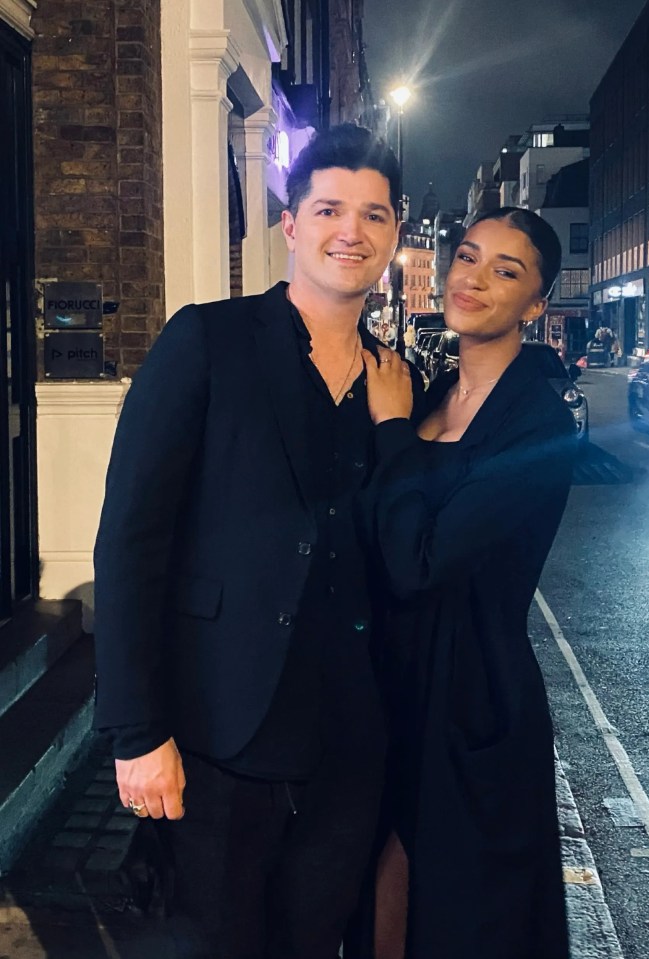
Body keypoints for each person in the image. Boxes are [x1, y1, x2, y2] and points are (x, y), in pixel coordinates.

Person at [93, 123, 421, 959]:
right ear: (292, 223)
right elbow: (130, 542)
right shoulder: (208, 339)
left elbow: (399, 547)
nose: (351, 231)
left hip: (348, 742)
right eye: (329, 208)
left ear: (394, 231)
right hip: (216, 734)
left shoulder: (396, 380)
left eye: (373, 214)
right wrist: (136, 731)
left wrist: (394, 433)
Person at [353, 207, 577, 958]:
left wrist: (389, 432)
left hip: (470, 696)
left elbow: (420, 561)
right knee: (377, 887)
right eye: (468, 256)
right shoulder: (423, 391)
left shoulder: (537, 424)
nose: (473, 278)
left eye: (505, 270)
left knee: (461, 912)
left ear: (536, 303)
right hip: (389, 682)